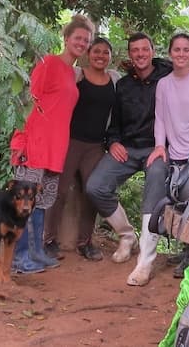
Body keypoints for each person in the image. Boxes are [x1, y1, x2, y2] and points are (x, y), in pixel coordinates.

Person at [84, 33, 172, 286]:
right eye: (135, 50)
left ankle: (145, 261)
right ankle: (126, 235)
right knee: (96, 186)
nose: (140, 54)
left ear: (153, 51)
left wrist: (166, 146)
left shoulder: (167, 78)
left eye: (145, 49)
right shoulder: (122, 85)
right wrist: (113, 142)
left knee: (154, 189)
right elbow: (115, 123)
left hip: (158, 149)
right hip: (129, 149)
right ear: (130, 54)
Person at [9, 14, 94, 274]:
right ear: (66, 38)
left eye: (86, 40)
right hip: (34, 144)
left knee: (42, 202)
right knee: (24, 202)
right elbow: (27, 101)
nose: (82, 43)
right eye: (77, 38)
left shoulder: (71, 72)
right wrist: (20, 140)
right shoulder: (48, 63)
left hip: (55, 148)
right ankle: (20, 257)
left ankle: (36, 252)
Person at [145, 34, 189, 281]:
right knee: (178, 202)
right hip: (174, 151)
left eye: (186, 49)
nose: (182, 54)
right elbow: (160, 118)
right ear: (170, 53)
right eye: (177, 49)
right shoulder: (164, 84)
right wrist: (159, 146)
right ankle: (184, 248)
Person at [44, 37, 121, 261]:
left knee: (92, 192)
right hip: (70, 142)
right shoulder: (76, 74)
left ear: (110, 56)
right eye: (96, 51)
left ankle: (85, 242)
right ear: (88, 54)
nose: (100, 56)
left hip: (96, 146)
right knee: (58, 191)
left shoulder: (115, 79)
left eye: (105, 52)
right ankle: (48, 240)